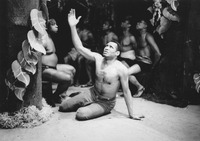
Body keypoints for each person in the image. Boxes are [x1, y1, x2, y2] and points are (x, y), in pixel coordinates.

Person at [59, 9, 144, 120]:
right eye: (107, 45)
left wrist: (131, 114)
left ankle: (91, 107)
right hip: (92, 93)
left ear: (117, 53)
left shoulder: (121, 68)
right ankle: (83, 101)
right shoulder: (98, 58)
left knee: (81, 114)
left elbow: (126, 92)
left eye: (111, 47)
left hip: (105, 102)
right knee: (63, 106)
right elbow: (79, 47)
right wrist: (72, 26)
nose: (107, 48)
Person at [42, 18, 75, 103]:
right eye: (53, 24)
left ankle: (62, 95)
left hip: (53, 67)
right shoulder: (43, 39)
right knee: (67, 78)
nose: (57, 26)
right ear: (46, 27)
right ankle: (55, 96)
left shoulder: (49, 36)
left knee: (72, 70)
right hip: (45, 69)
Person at [128, 19, 161, 97]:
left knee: (126, 73)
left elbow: (158, 53)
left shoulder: (148, 36)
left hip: (145, 63)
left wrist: (153, 66)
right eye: (138, 22)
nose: (137, 23)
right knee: (122, 68)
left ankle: (140, 87)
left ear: (146, 26)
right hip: (138, 61)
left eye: (140, 22)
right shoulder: (139, 36)